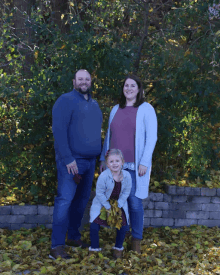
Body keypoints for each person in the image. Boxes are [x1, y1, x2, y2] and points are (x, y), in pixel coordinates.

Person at [99, 74, 157, 254]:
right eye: (126, 85)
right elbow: (109, 136)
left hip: (134, 167)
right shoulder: (116, 109)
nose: (129, 88)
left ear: (139, 89)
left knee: (134, 204)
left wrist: (145, 162)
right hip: (116, 167)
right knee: (118, 205)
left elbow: (151, 137)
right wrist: (103, 158)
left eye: (133, 86)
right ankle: (119, 243)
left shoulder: (146, 109)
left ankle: (136, 242)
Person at [49, 69, 103, 260]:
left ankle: (73, 237)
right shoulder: (65, 100)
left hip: (90, 162)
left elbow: (97, 133)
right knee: (64, 201)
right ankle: (56, 246)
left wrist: (101, 158)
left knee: (81, 202)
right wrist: (68, 158)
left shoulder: (95, 105)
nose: (84, 82)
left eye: (87, 79)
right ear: (74, 81)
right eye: (80, 79)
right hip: (71, 162)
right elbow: (58, 131)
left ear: (91, 81)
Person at [89, 149, 132, 259]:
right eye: (111, 161)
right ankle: (94, 249)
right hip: (103, 203)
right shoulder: (103, 176)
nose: (114, 164)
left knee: (123, 225)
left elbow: (127, 191)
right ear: (107, 164)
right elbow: (99, 193)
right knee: (94, 223)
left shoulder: (127, 176)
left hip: (119, 204)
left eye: (117, 161)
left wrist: (119, 205)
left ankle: (118, 249)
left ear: (122, 162)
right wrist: (108, 207)